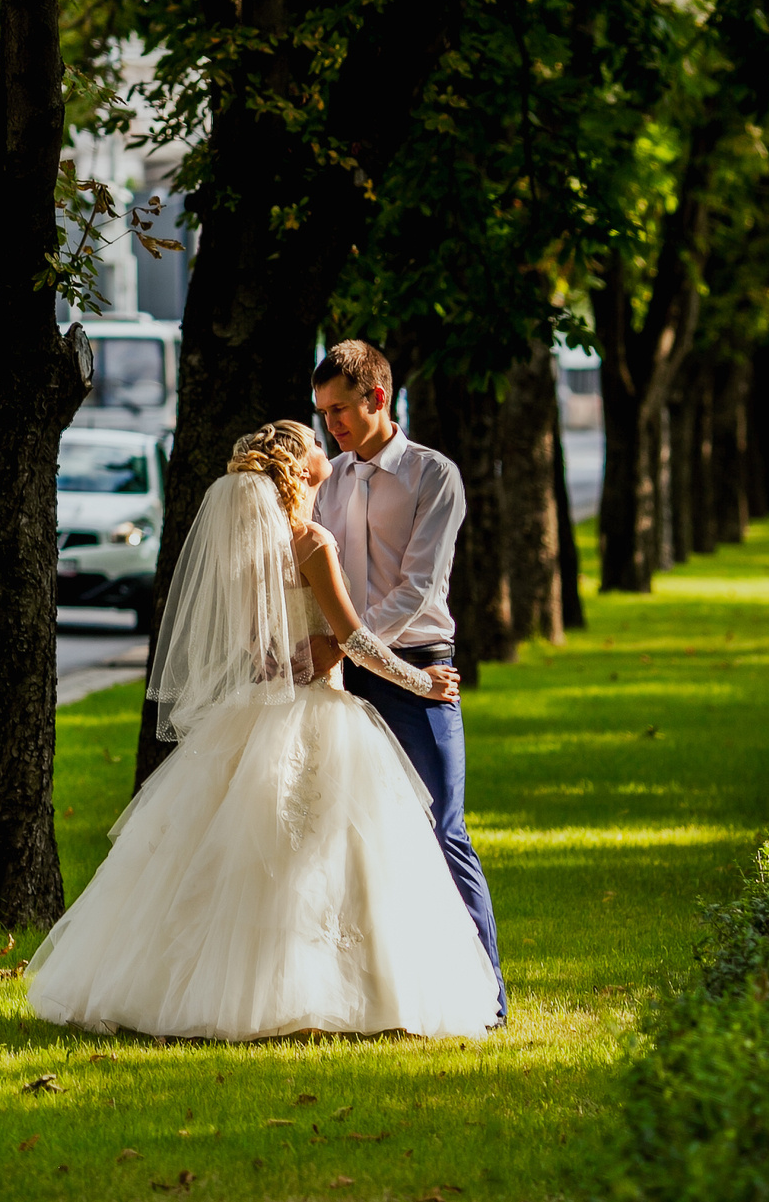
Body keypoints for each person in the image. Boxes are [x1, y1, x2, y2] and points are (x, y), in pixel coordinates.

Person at [25, 422, 500, 1041]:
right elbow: (353, 640)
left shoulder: (249, 547)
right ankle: (340, 995)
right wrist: (422, 682)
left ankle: (190, 988)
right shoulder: (310, 542)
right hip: (320, 713)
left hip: (258, 711)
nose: (324, 446)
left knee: (245, 858)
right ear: (299, 469)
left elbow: (259, 644)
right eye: (313, 442)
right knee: (330, 854)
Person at [309, 340, 507, 1023]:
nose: (330, 424)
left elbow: (417, 588)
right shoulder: (325, 481)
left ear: (378, 396)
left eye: (338, 409)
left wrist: (347, 646)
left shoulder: (433, 474)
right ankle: (369, 1000)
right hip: (340, 677)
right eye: (322, 412)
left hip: (417, 667)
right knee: (350, 837)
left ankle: (489, 997)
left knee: (442, 828)